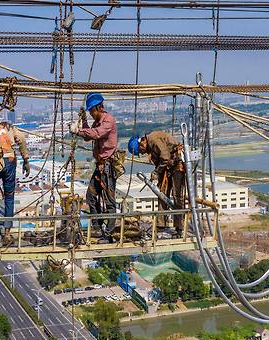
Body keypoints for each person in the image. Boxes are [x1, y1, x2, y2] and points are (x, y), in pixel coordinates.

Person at [70, 93, 120, 240]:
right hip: (100, 166)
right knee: (91, 197)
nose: (91, 114)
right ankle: (98, 227)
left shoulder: (108, 121)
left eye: (92, 111)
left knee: (110, 201)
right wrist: (83, 122)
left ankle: (109, 233)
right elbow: (88, 136)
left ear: (98, 108)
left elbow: (96, 134)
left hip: (108, 167)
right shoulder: (97, 122)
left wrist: (78, 130)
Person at [128, 131, 186, 237]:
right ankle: (161, 224)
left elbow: (165, 157)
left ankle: (179, 227)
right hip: (168, 166)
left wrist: (156, 172)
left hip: (177, 164)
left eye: (141, 151)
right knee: (162, 193)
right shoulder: (150, 144)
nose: (142, 153)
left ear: (142, 144)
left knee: (177, 196)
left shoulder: (153, 140)